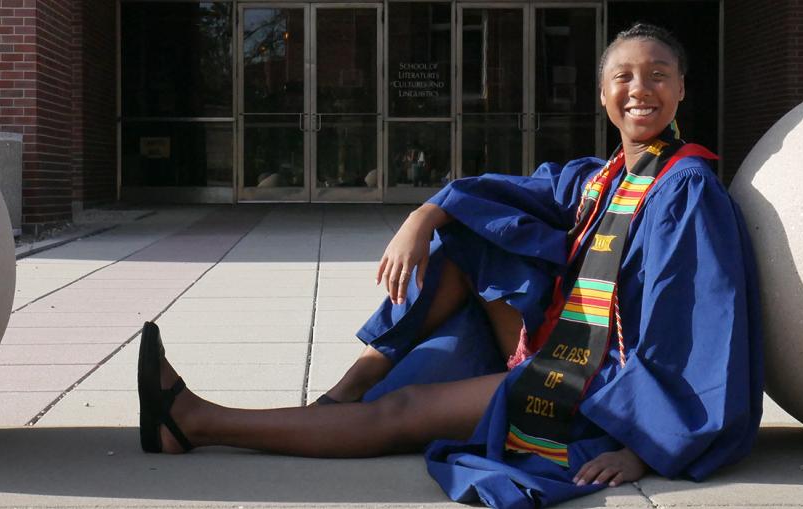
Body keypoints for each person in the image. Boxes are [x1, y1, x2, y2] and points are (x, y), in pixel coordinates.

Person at [136, 23, 761, 508]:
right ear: (603, 95)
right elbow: (499, 194)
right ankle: (349, 386)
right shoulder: (597, 180)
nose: (640, 90)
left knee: (404, 412)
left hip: (608, 396)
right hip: (564, 352)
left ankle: (195, 422)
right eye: (623, 76)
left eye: (658, 75)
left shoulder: (686, 190)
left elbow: (697, 330)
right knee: (468, 234)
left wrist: (642, 447)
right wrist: (424, 217)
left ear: (681, 90)